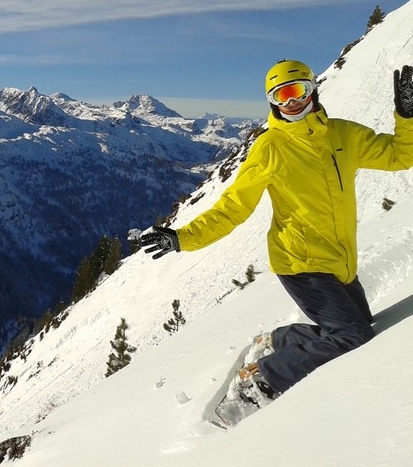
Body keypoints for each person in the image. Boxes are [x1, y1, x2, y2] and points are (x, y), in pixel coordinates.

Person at [140, 60, 413, 404]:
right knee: (352, 335)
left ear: (313, 90)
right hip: (300, 262)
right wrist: (183, 238)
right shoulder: (270, 148)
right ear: (272, 102)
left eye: (298, 91)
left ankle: (280, 339)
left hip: (340, 259)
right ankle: (261, 379)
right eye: (281, 96)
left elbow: (400, 157)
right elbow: (233, 207)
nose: (292, 102)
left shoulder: (344, 135)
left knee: (360, 323)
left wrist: (407, 116)